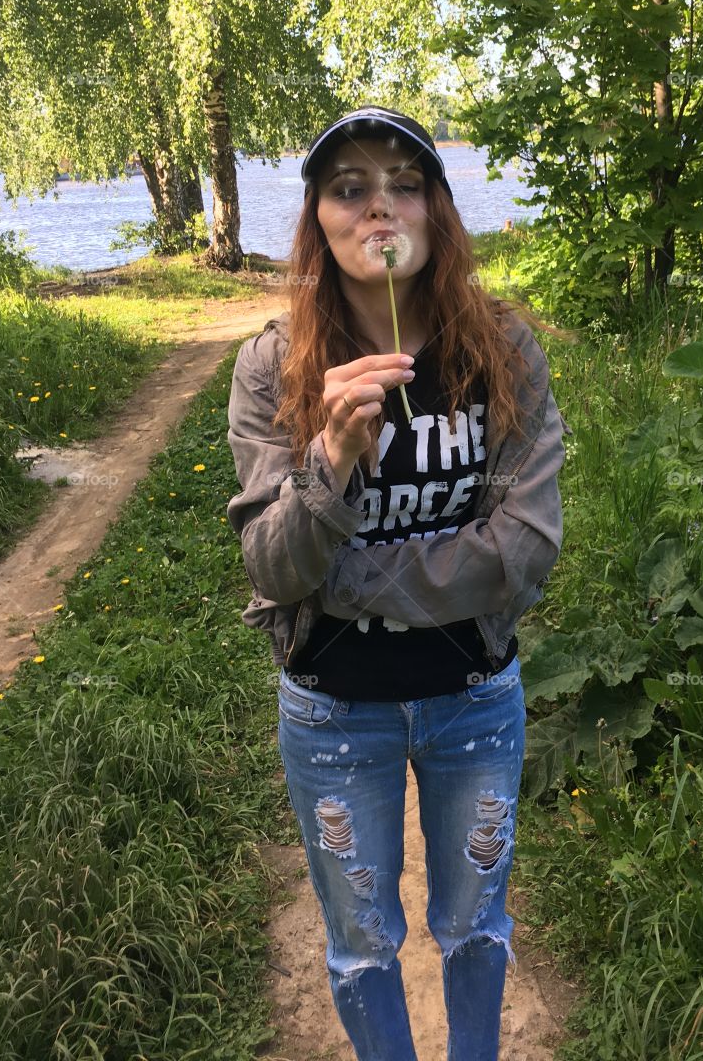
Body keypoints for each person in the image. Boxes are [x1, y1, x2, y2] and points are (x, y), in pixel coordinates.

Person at [226, 105, 571, 1061]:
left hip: (474, 701)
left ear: (439, 209)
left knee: (475, 929)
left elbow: (521, 554)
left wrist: (342, 578)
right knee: (364, 944)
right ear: (320, 221)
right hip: (336, 715)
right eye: (349, 190)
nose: (379, 209)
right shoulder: (272, 368)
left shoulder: (502, 356)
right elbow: (271, 564)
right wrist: (332, 455)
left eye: (403, 184)